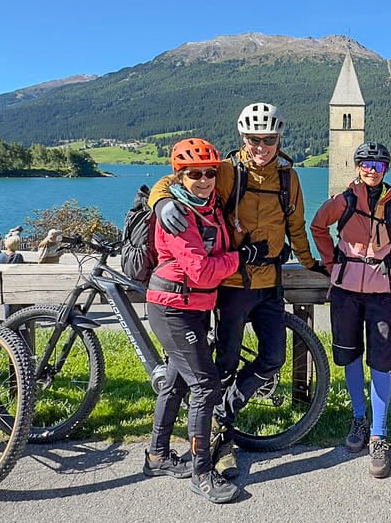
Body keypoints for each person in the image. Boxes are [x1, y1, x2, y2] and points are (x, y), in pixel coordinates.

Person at [150, 102, 323, 479]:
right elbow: (175, 179)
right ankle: (222, 442)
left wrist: (311, 264)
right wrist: (161, 202)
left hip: (270, 283)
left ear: (279, 139)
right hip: (231, 286)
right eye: (254, 139)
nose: (261, 146)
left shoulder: (289, 178)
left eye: (269, 139)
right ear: (243, 138)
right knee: (225, 364)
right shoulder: (227, 171)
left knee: (273, 358)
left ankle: (222, 413)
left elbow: (297, 225)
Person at [142, 138, 267, 505]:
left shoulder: (211, 206)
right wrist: (241, 258)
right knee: (206, 386)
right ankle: (201, 472)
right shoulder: (178, 212)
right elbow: (201, 272)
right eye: (194, 173)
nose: (204, 180)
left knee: (177, 383)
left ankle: (157, 456)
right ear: (178, 176)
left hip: (192, 307)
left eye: (209, 173)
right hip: (172, 306)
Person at [311, 141, 391, 478]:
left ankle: (379, 434)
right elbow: (317, 226)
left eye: (378, 165)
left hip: (381, 291)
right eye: (366, 164)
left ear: (386, 170)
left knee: (381, 361)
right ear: (357, 167)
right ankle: (359, 419)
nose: (371, 170)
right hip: (346, 291)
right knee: (349, 355)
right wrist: (332, 263)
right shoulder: (345, 200)